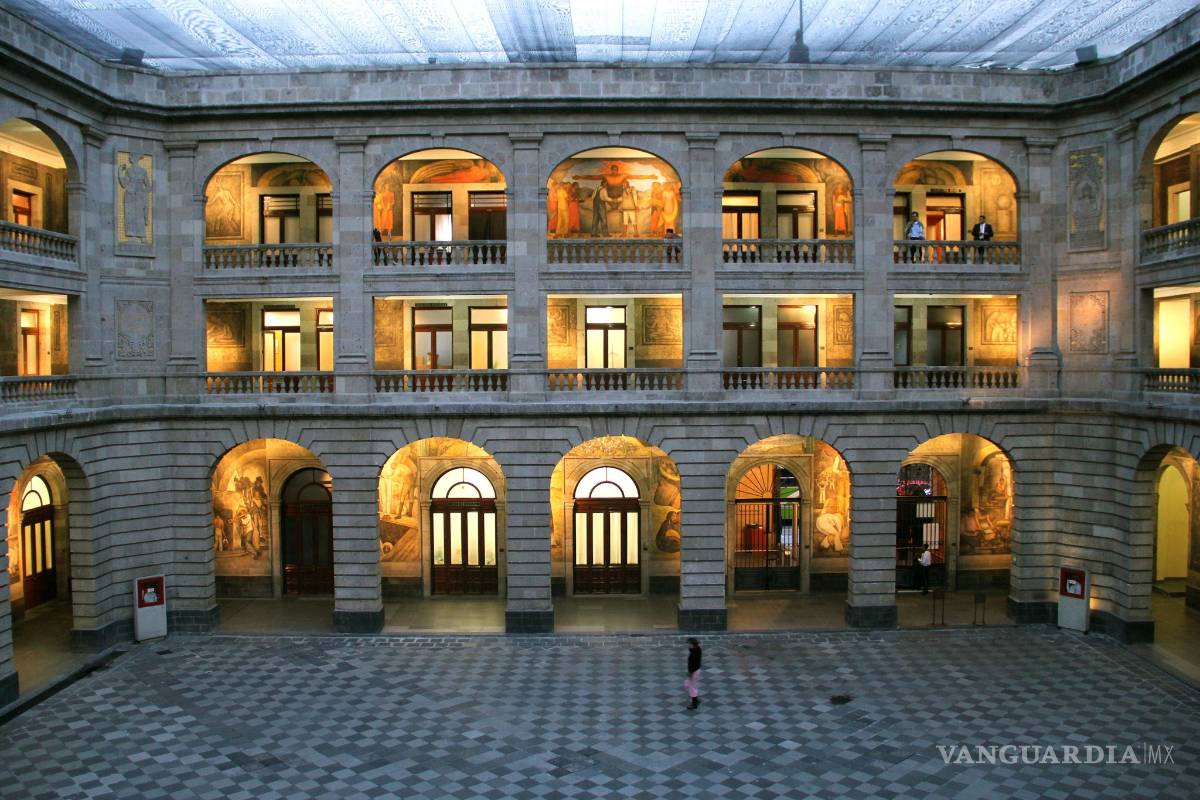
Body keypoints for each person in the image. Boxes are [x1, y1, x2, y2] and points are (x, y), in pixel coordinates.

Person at [684, 638, 702, 710]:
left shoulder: (694, 654)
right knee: (687, 685)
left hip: (694, 672)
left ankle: (694, 703)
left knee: (691, 687)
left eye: (689, 644)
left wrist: (690, 673)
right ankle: (696, 699)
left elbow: (693, 665)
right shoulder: (697, 649)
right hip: (696, 671)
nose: (688, 645)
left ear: (692, 644)